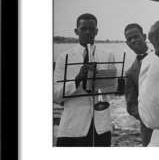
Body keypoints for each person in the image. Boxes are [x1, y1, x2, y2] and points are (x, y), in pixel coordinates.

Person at [54, 13, 116, 146]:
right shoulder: (63, 57)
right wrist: (76, 81)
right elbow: (56, 96)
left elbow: (112, 89)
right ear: (76, 31)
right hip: (72, 126)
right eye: (83, 29)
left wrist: (100, 80)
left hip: (101, 125)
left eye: (91, 29)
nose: (88, 32)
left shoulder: (108, 55)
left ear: (96, 31)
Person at [124, 23, 153, 147]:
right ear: (127, 44)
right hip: (149, 129)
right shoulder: (130, 73)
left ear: (145, 36)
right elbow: (131, 105)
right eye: (129, 39)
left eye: (136, 36)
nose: (133, 41)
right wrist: (148, 116)